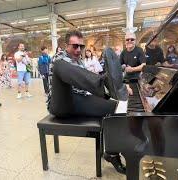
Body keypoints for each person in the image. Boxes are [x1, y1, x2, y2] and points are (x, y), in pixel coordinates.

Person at [48, 30, 128, 174]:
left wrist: (109, 95)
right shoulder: (58, 58)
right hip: (60, 103)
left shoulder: (80, 60)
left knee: (118, 107)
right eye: (74, 46)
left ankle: (112, 153)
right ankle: (103, 82)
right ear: (66, 46)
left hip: (79, 100)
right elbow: (76, 78)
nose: (78, 50)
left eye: (81, 46)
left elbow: (84, 85)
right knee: (60, 66)